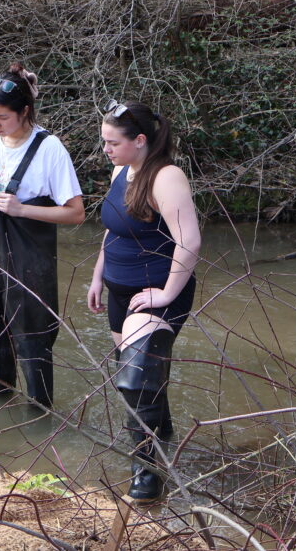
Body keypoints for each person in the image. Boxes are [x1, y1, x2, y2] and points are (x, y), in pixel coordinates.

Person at [87, 100, 201, 504]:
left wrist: (168, 294)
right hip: (119, 289)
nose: (105, 149)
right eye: (104, 141)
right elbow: (114, 229)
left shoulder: (167, 177)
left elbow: (189, 240)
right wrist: (98, 275)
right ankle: (163, 434)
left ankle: (147, 477)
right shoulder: (123, 169)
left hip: (157, 291)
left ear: (139, 140)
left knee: (134, 381)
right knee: (140, 379)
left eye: (111, 142)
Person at [0, 62, 85, 408]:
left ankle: (39, 416)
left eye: (3, 117)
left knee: (32, 338)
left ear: (25, 112)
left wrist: (22, 209)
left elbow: (76, 213)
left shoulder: (49, 149)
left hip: (30, 263)